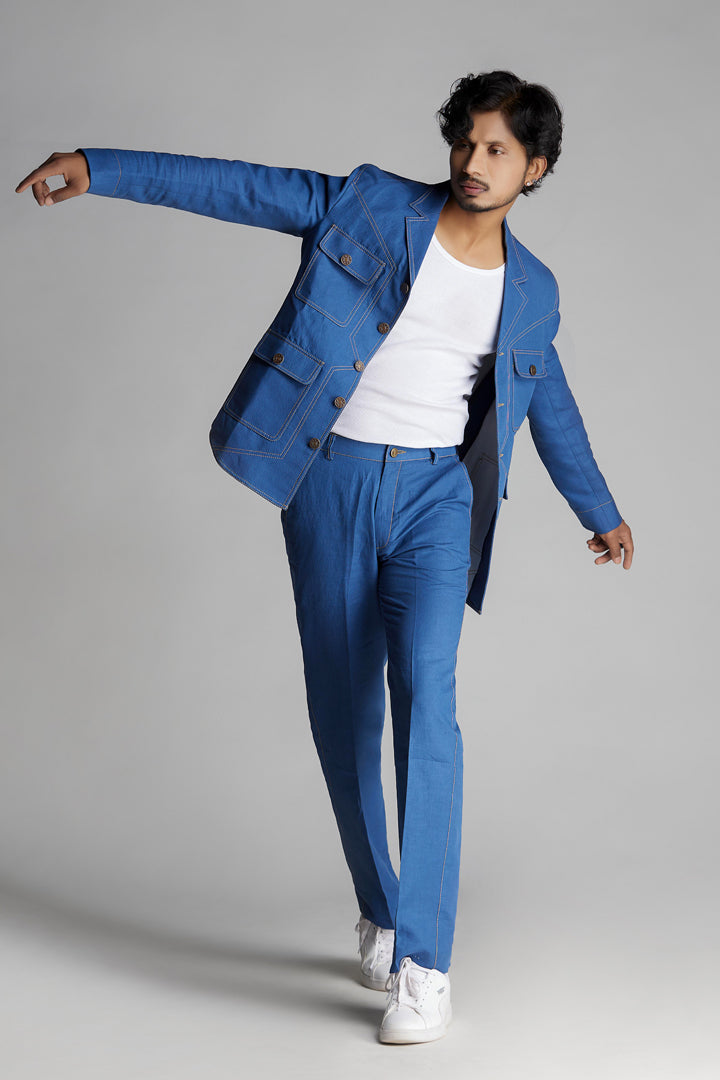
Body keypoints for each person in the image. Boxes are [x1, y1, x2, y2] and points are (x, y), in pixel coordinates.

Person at [15, 69, 634, 1045]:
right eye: (466, 142)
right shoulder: (371, 205)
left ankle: (426, 966)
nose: (473, 163)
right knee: (343, 716)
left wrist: (597, 509)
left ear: (536, 168)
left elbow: (546, 397)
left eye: (498, 150)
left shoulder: (533, 290)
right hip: (331, 481)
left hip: (438, 498)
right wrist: (101, 166)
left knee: (428, 698)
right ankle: (380, 908)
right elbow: (242, 188)